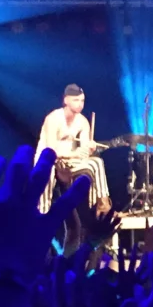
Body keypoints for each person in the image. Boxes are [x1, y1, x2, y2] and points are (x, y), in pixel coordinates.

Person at [36, 84, 112, 217]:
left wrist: (90, 149)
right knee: (47, 172)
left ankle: (101, 205)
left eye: (82, 100)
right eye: (76, 100)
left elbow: (83, 152)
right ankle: (42, 212)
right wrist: (74, 154)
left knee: (96, 163)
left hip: (70, 160)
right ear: (66, 100)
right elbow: (51, 151)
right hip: (49, 160)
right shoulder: (53, 119)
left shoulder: (82, 122)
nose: (80, 104)